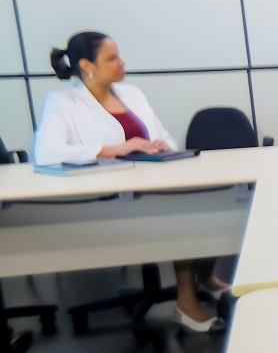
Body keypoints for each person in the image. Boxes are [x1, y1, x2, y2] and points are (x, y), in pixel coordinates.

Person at [34, 32, 226, 332]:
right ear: (87, 64)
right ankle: (186, 303)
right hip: (106, 197)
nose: (122, 62)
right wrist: (115, 149)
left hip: (152, 186)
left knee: (208, 204)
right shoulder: (62, 102)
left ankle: (204, 278)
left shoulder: (133, 93)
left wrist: (160, 146)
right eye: (112, 58)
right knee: (185, 218)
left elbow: (165, 138)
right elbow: (46, 153)